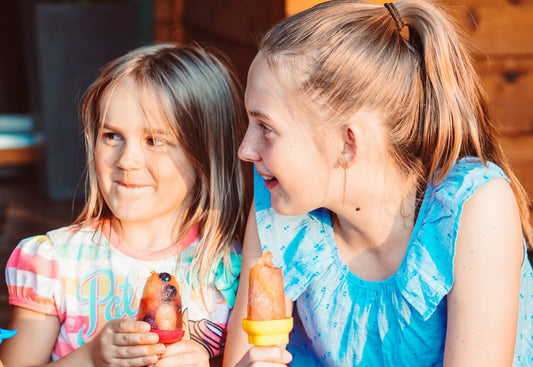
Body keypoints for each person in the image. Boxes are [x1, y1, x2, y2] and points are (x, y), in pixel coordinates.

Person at [223, 0, 533, 366]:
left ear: (347, 143)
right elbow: (241, 358)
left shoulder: (475, 207)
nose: (245, 150)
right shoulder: (280, 204)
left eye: (266, 128)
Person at [1, 43, 247, 366]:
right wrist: (91, 356)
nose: (128, 160)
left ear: (204, 155)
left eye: (155, 140)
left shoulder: (230, 270)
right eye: (112, 136)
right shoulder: (55, 263)